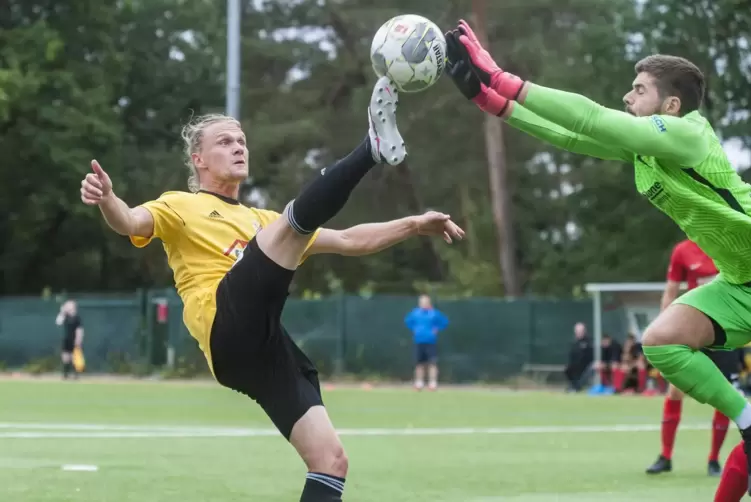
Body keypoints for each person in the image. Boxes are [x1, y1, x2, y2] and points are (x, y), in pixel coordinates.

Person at [79, 76, 465, 502]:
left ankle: (370, 149)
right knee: (293, 224)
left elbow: (352, 240)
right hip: (224, 324)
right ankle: (370, 148)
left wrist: (414, 224)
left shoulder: (264, 223)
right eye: (225, 142)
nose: (239, 147)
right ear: (199, 159)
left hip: (260, 346)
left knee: (330, 461)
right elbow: (130, 222)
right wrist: (108, 199)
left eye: (242, 140)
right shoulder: (180, 205)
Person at [443, 20, 751, 493]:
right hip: (740, 283)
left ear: (671, 106)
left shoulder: (690, 136)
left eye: (639, 89)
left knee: (741, 464)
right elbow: (572, 136)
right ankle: (748, 418)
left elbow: (590, 117)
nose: (627, 98)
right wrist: (491, 102)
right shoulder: (646, 153)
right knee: (662, 340)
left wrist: (504, 77)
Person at [646, 239, 744, 476]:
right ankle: (665, 456)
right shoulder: (682, 250)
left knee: (725, 393)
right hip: (691, 330)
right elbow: (670, 291)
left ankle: (713, 460)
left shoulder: (730, 243)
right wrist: (662, 330)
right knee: (674, 391)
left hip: (724, 331)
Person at [404, 294, 448, 390]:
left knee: (432, 363)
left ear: (429, 303)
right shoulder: (415, 313)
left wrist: (436, 329)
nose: (424, 304)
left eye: (426, 302)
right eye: (422, 302)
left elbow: (444, 322)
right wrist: (414, 328)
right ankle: (419, 383)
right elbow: (408, 321)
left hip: (431, 341)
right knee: (419, 364)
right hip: (418, 341)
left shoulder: (434, 313)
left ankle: (433, 383)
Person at [55, 300, 84, 379]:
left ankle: (76, 375)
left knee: (75, 358)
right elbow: (58, 322)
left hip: (74, 340)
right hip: (66, 340)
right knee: (65, 358)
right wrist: (62, 312)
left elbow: (80, 330)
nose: (67, 307)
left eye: (69, 305)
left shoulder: (77, 318)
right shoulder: (65, 316)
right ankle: (65, 375)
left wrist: (78, 340)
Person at [564, 322, 592, 392]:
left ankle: (576, 388)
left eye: (580, 331)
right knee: (568, 370)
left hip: (586, 365)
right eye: (577, 331)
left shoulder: (589, 342)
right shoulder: (574, 343)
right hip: (575, 365)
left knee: (585, 372)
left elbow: (590, 355)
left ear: (584, 331)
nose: (578, 333)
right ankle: (573, 386)